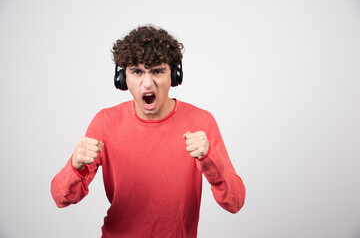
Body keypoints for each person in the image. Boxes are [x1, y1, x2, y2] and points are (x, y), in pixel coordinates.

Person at [51, 25, 246, 237]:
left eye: (158, 71)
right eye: (136, 71)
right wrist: (75, 165)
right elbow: (62, 198)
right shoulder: (104, 122)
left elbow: (234, 202)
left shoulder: (201, 122)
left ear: (175, 74)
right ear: (123, 78)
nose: (147, 83)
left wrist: (210, 158)